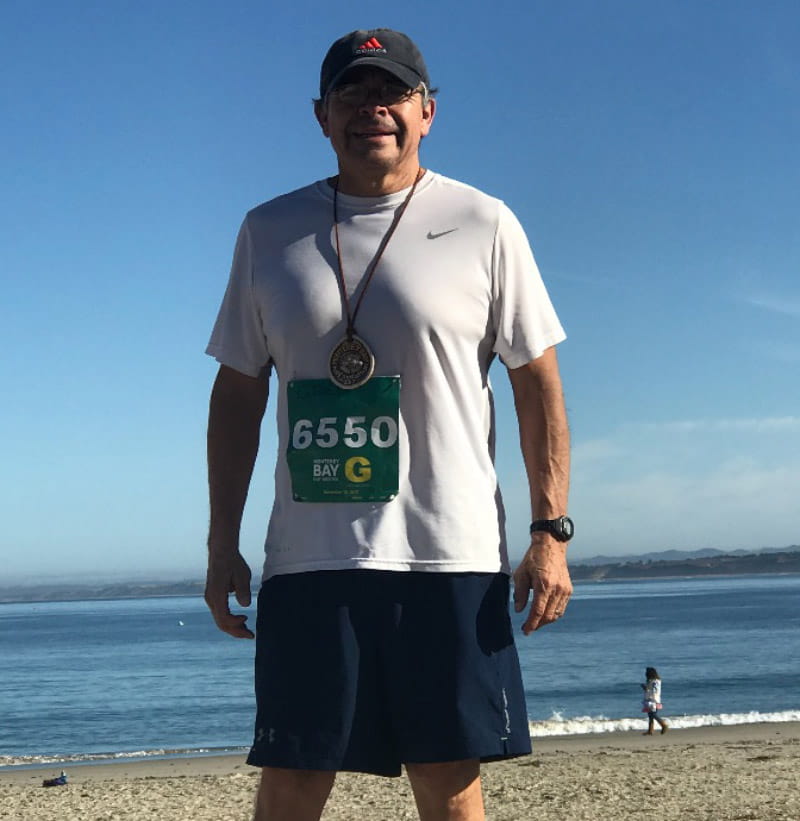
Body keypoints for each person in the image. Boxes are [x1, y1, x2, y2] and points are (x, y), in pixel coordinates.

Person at [204, 27, 573, 821]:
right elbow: (237, 394)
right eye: (352, 92)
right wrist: (219, 542)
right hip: (309, 562)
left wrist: (551, 532)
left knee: (448, 777)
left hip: (448, 555)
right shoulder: (268, 232)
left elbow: (537, 383)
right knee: (294, 774)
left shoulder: (484, 222)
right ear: (321, 115)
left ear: (427, 111)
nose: (373, 108)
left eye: (392, 92)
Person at [641, 667, 669, 735]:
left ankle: (663, 724)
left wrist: (645, 688)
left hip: (652, 700)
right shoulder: (657, 680)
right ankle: (650, 730)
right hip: (656, 699)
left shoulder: (653, 681)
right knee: (650, 715)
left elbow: (652, 691)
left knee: (653, 714)